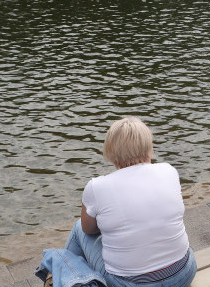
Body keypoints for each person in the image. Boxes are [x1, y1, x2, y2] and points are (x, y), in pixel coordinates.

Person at [35, 117, 197, 287]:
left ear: (112, 153)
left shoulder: (97, 187)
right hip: (183, 273)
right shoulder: (169, 171)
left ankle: (67, 279)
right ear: (148, 146)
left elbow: (88, 229)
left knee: (78, 229)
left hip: (127, 284)